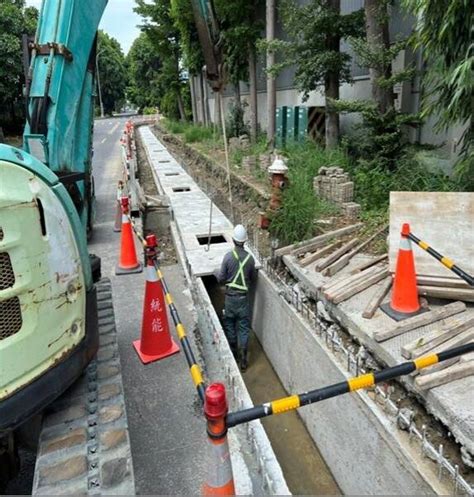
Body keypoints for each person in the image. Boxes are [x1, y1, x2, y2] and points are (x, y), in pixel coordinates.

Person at [216, 224, 257, 371]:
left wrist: (219, 275)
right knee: (244, 328)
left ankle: (233, 353)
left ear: (233, 240)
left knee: (229, 324)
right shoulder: (250, 260)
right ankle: (244, 361)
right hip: (243, 299)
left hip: (230, 299)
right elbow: (252, 279)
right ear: (244, 241)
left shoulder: (228, 257)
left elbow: (221, 279)